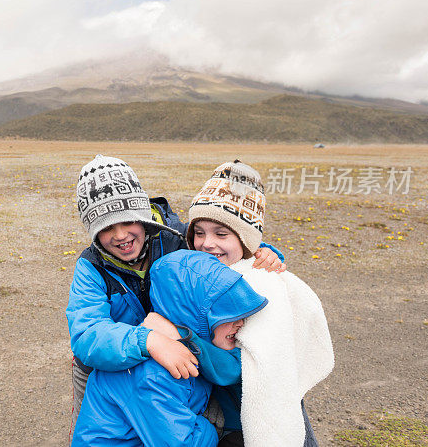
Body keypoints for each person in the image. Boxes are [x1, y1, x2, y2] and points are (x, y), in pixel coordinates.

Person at [66, 155, 285, 436]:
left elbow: (221, 245)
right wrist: (149, 340)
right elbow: (87, 335)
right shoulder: (91, 267)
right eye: (106, 227)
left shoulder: (176, 239)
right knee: (99, 431)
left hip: (176, 363)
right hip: (108, 370)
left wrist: (262, 252)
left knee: (169, 427)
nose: (120, 235)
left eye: (127, 221)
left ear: (142, 214)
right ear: (94, 232)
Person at [178, 160, 334, 446]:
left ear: (246, 239)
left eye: (221, 234)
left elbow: (255, 364)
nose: (206, 243)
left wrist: (181, 339)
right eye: (198, 232)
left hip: (246, 415)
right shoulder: (197, 272)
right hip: (221, 411)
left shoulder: (261, 286)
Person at [70, 248, 268, 446]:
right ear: (193, 313)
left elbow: (223, 237)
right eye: (227, 313)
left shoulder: (188, 344)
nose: (240, 323)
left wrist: (264, 254)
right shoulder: (154, 374)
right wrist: (212, 428)